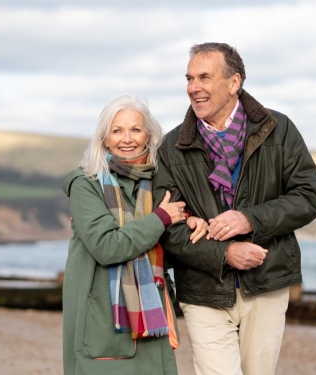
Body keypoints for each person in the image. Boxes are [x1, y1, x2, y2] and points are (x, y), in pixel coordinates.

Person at [153, 43, 316, 375]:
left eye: (204, 77)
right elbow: (168, 226)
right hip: (203, 289)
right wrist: (224, 253)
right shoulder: (171, 148)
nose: (193, 87)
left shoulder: (280, 129)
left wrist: (249, 218)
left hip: (267, 282)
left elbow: (308, 196)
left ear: (234, 83)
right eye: (189, 78)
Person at [61, 94, 208, 375]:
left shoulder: (157, 182)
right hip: (104, 321)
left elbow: (166, 242)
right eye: (117, 130)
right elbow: (107, 246)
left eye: (135, 130)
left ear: (148, 136)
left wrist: (189, 223)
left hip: (152, 315)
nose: (126, 139)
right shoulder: (85, 185)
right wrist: (162, 218)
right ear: (105, 138)